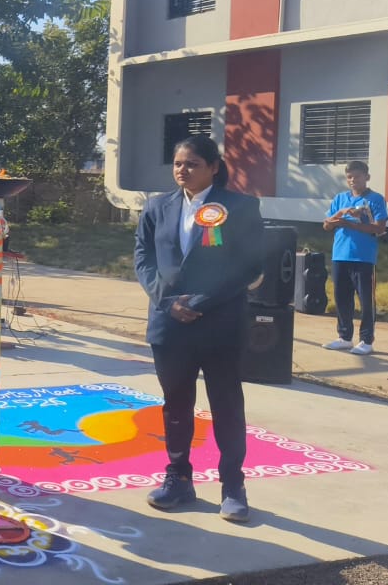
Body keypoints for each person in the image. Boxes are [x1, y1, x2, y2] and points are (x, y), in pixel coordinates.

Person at [134, 134, 264, 523]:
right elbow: (143, 256)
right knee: (176, 405)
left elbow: (249, 266)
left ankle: (233, 487)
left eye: (191, 164)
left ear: (213, 167)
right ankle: (178, 479)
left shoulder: (240, 207)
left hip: (220, 323)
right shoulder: (157, 206)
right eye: (178, 163)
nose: (182, 170)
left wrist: (201, 302)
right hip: (169, 324)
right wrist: (166, 300)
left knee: (226, 405)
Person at [322, 161, 387, 356]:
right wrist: (341, 214)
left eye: (357, 176)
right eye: (349, 177)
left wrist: (350, 224)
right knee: (342, 298)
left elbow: (379, 228)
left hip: (363, 257)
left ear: (367, 177)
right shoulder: (340, 198)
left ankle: (366, 340)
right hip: (340, 255)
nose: (352, 180)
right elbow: (327, 225)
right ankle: (344, 337)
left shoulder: (375, 199)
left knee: (366, 301)